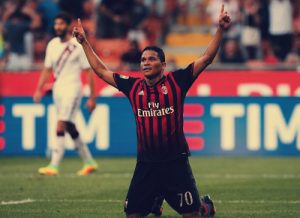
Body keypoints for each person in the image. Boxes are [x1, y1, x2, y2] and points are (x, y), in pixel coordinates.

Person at [73, 4, 231, 217]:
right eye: (143, 60)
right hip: (146, 163)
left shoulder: (177, 81)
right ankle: (155, 200)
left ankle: (205, 207)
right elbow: (101, 71)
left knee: (193, 215)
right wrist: (84, 43)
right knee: (132, 215)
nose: (146, 63)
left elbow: (206, 59)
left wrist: (220, 29)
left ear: (163, 65)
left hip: (175, 162)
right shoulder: (133, 86)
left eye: (152, 59)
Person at [33, 12, 98, 176]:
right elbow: (47, 70)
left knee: (60, 123)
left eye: (61, 24)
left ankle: (53, 166)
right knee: (69, 126)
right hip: (58, 90)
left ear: (68, 26)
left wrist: (92, 97)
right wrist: (39, 89)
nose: (58, 27)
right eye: (56, 24)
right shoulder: (52, 44)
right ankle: (89, 161)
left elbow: (89, 72)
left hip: (73, 89)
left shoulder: (77, 45)